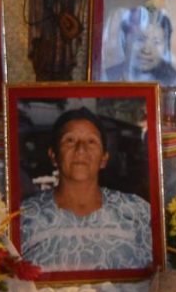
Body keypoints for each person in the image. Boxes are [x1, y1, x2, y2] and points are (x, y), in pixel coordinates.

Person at [19, 107, 153, 271]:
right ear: (54, 156)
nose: (81, 149)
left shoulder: (137, 212)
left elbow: (164, 276)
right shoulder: (25, 218)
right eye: (70, 140)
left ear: (104, 159)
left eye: (91, 141)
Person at [101, 5, 176, 86]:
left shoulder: (174, 81)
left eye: (156, 42)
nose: (146, 50)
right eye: (140, 39)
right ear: (124, 40)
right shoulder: (107, 78)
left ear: (166, 46)